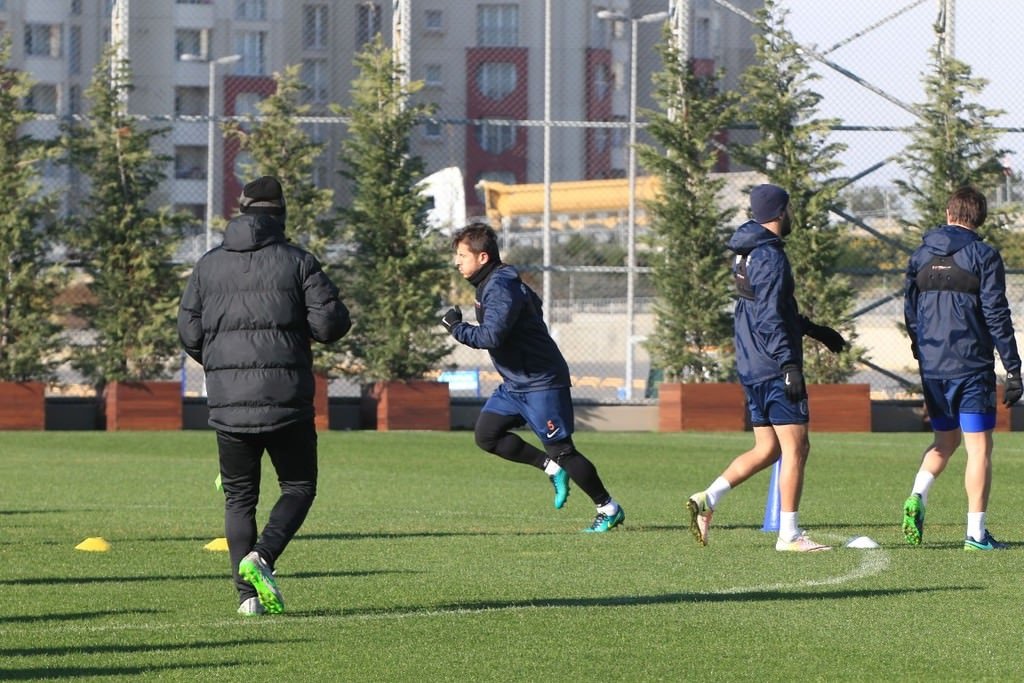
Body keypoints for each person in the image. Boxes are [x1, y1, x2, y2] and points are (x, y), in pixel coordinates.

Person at [178, 176, 351, 615]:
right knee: (298, 485)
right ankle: (265, 555)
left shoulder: (207, 265)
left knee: (239, 498)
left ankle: (246, 598)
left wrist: (221, 365)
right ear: (280, 214)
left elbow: (189, 333)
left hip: (227, 403)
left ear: (241, 210)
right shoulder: (298, 262)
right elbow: (330, 327)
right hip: (286, 400)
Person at [686, 184, 846, 552]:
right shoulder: (771, 257)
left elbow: (765, 308)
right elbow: (770, 315)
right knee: (797, 447)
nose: (792, 216)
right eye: (789, 209)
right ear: (780, 212)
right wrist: (789, 363)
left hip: (751, 362)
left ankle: (708, 498)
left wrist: (811, 330)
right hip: (773, 364)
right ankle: (789, 535)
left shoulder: (745, 253)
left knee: (767, 448)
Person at [442, 222, 624, 532]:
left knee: (563, 450)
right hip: (516, 384)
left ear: (483, 257)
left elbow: (492, 336)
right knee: (487, 435)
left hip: (541, 383)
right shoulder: (498, 283)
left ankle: (608, 507)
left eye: (462, 255)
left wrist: (456, 328)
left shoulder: (500, 286)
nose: (457, 262)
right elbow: (532, 309)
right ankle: (551, 469)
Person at [902, 186, 1021, 551]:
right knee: (979, 449)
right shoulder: (984, 255)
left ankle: (917, 495)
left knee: (944, 441)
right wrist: (1014, 368)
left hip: (933, 367)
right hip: (971, 366)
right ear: (979, 218)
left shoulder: (920, 255)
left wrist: (921, 349)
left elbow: (910, 310)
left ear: (948, 212)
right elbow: (996, 313)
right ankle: (975, 534)